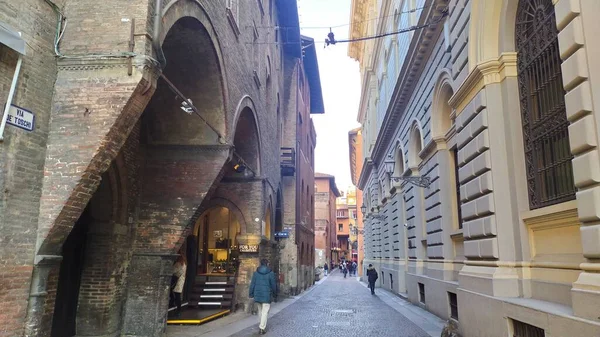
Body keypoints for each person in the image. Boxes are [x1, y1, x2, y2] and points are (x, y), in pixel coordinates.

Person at [249, 259, 277, 335]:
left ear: (260, 264)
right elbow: (273, 285)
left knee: (260, 311)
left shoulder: (256, 273)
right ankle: (262, 328)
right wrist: (275, 294)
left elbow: (252, 284)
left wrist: (251, 294)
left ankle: (261, 325)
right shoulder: (271, 273)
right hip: (267, 295)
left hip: (257, 295)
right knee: (265, 312)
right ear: (267, 264)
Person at [172, 252, 187, 316]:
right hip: (181, 281)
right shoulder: (184, 264)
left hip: (177, 281)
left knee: (176, 294)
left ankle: (177, 308)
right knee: (178, 294)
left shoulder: (178, 264)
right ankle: (178, 308)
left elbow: (173, 271)